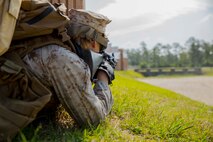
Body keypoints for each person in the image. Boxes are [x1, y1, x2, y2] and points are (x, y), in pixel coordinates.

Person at [22, 8, 115, 127]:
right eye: (100, 49)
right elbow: (93, 119)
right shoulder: (64, 59)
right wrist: (103, 77)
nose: (100, 53)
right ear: (93, 42)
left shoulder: (52, 47)